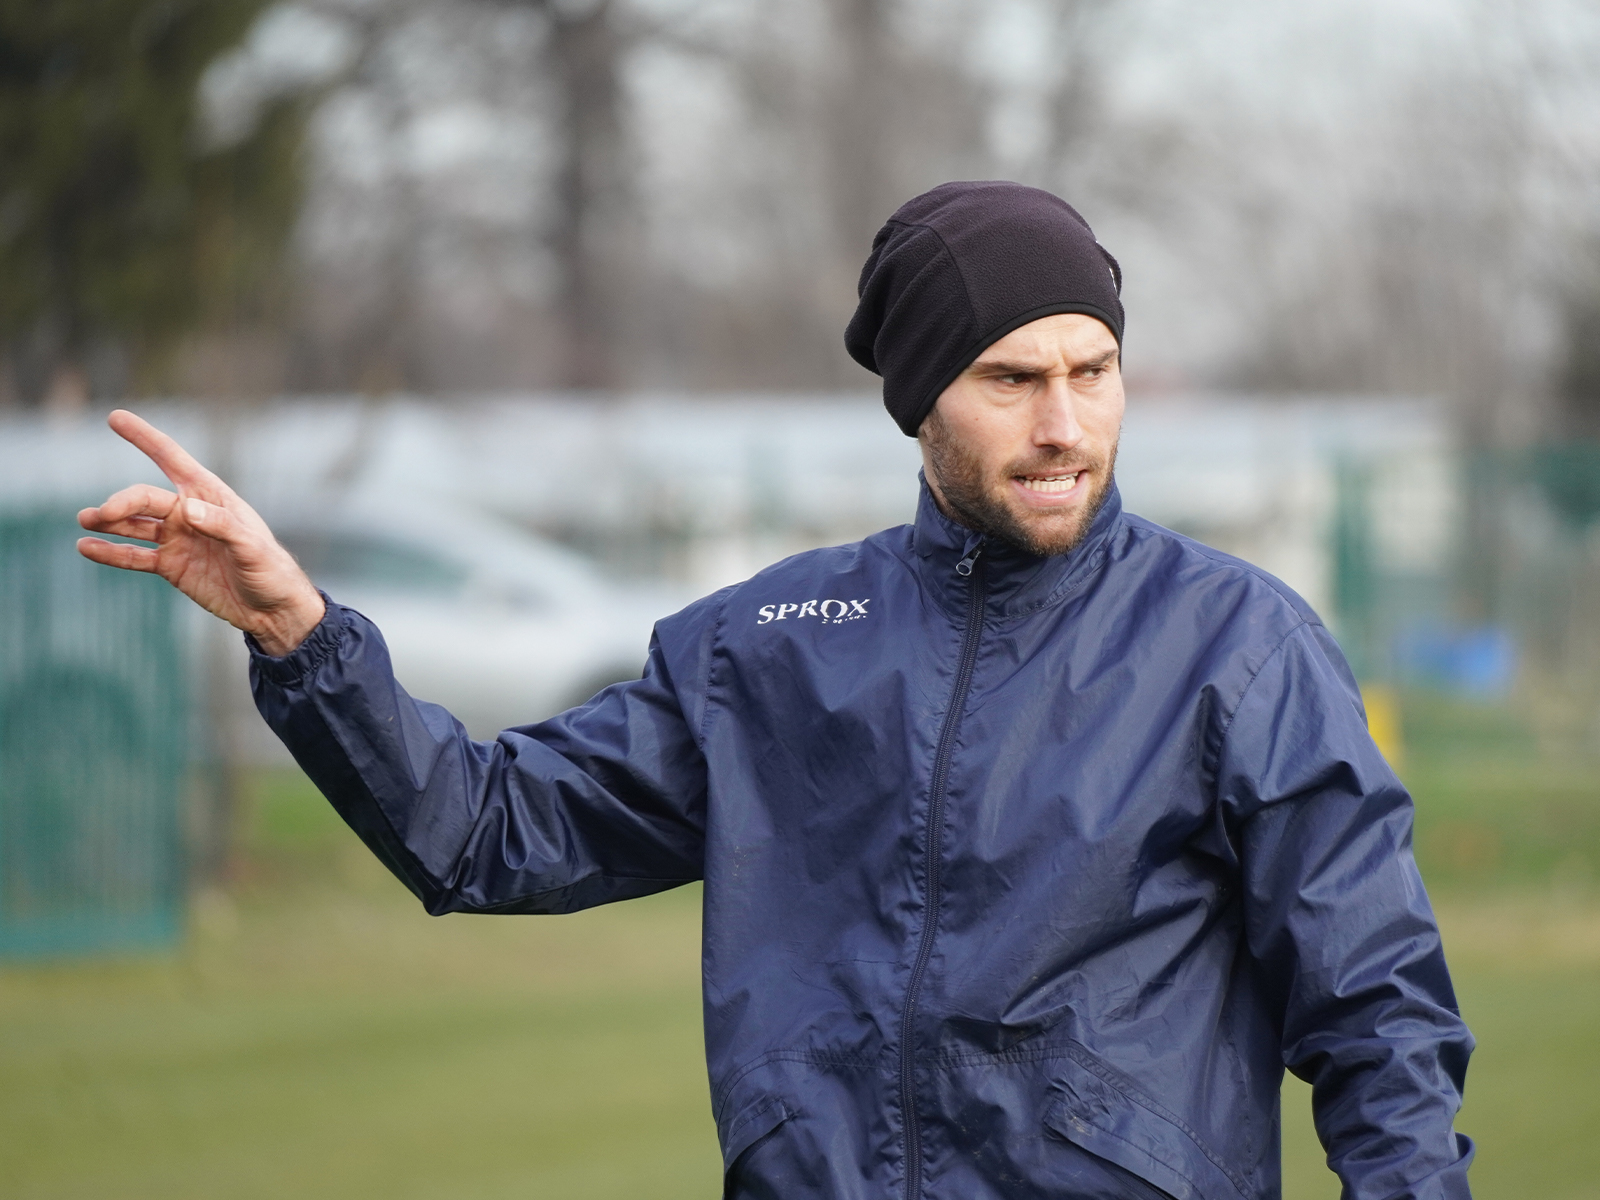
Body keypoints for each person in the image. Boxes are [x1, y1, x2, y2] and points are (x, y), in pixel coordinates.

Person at [79, 181, 1473, 1200]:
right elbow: (484, 833)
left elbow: (1378, 1012)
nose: (1065, 424)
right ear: (922, 397)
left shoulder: (1235, 644)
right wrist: (300, 632)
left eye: (1094, 373)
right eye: (1013, 378)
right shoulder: (774, 643)